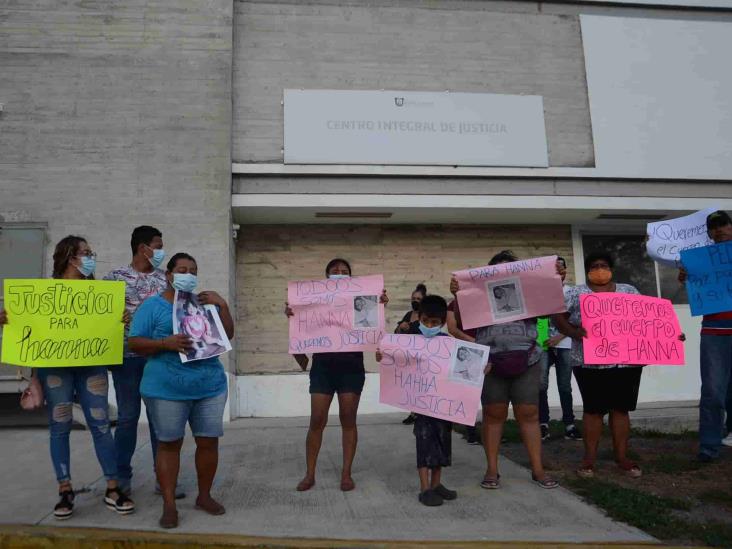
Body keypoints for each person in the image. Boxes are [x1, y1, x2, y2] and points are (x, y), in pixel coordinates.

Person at [0, 236, 134, 519]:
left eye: (90, 252)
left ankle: (113, 487)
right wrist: (9, 319)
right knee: (59, 425)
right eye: (86, 252)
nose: (90, 257)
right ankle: (65, 489)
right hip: (55, 368)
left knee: (100, 424)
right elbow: (27, 324)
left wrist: (121, 319)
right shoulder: (42, 292)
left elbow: (112, 327)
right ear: (70, 257)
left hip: (92, 364)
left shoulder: (100, 295)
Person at [128, 253, 234, 529]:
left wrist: (222, 305)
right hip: (166, 389)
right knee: (170, 443)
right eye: (183, 270)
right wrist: (165, 343)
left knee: (209, 441)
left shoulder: (204, 303)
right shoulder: (152, 306)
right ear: (169, 275)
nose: (189, 274)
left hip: (209, 386)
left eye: (193, 270)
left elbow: (227, 335)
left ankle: (205, 496)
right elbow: (135, 343)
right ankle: (169, 504)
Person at [451, 250, 558, 490]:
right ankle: (492, 469)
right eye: (497, 269)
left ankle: (538, 469)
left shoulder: (531, 293)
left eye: (509, 268)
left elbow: (545, 318)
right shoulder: (477, 296)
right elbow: (460, 322)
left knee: (530, 415)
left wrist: (541, 344)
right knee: (493, 415)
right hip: (491, 362)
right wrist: (458, 295)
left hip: (528, 360)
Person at [286, 258, 389, 493]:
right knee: (316, 420)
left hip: (351, 367)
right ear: (326, 278)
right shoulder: (313, 303)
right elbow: (300, 345)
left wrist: (379, 306)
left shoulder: (363, 301)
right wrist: (294, 317)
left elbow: (374, 334)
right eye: (334, 271)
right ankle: (309, 474)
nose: (339, 274)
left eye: (344, 272)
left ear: (351, 279)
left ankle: (346, 474)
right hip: (322, 367)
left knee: (348, 419)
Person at [103, 226, 184, 498]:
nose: (161, 251)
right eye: (158, 245)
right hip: (126, 359)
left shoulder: (166, 280)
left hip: (160, 360)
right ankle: (121, 478)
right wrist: (114, 319)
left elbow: (181, 312)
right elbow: (96, 318)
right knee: (127, 418)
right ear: (142, 248)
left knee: (159, 420)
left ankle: (164, 479)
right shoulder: (114, 279)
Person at [554, 252, 645, 478]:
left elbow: (647, 318)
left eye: (603, 265)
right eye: (594, 266)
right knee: (593, 410)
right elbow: (558, 316)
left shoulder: (629, 291)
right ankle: (589, 460)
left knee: (620, 409)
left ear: (612, 269)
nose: (599, 269)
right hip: (588, 361)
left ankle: (622, 457)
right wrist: (574, 332)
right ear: (587, 271)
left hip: (625, 362)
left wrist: (668, 335)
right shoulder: (576, 293)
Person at [377, 295, 458, 506]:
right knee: (424, 443)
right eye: (426, 322)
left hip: (442, 404)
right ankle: (424, 488)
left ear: (442, 323)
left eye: (435, 323)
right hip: (421, 405)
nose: (430, 326)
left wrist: (480, 369)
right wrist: (382, 356)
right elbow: (391, 358)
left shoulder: (448, 343)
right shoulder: (408, 341)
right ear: (419, 318)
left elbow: (460, 368)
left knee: (442, 442)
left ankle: (437, 484)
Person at [679, 210, 732, 461]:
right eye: (714, 227)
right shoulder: (702, 260)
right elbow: (697, 289)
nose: (719, 230)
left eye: (724, 225)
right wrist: (688, 278)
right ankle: (709, 446)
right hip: (714, 331)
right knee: (712, 390)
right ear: (709, 233)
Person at [539, 257, 581, 442]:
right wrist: (543, 339)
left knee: (565, 386)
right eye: (553, 267)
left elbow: (576, 320)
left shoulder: (571, 292)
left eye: (560, 267)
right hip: (543, 345)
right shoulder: (540, 291)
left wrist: (560, 336)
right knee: (541, 385)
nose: (557, 270)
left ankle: (569, 424)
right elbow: (537, 317)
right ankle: (542, 424)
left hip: (564, 343)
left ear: (565, 270)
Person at [447, 287, 480, 443]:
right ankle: (471, 432)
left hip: (482, 351)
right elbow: (452, 329)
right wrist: (474, 342)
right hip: (465, 352)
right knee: (468, 394)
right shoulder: (453, 305)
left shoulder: (480, 303)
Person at [395, 283, 427, 424]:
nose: (415, 301)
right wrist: (400, 327)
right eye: (413, 298)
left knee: (421, 385)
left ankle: (420, 412)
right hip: (408, 357)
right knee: (411, 385)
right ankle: (414, 412)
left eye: (418, 299)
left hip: (422, 356)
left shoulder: (425, 316)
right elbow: (396, 333)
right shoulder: (408, 315)